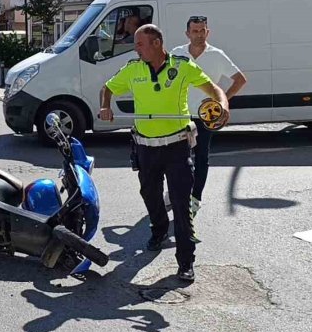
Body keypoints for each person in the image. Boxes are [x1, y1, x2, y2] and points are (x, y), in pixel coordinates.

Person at [99, 24, 228, 282]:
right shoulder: (133, 69)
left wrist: (222, 105)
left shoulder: (182, 66)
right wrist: (105, 107)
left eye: (140, 44)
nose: (136, 49)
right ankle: (158, 230)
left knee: (181, 206)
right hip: (146, 147)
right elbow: (108, 88)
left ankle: (186, 261)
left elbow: (214, 89)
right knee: (150, 195)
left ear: (156, 43)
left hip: (177, 146)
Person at [170, 16, 247, 226]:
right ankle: (177, 191)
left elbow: (240, 80)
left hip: (206, 116)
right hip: (181, 115)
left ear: (208, 32)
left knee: (201, 157)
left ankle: (196, 198)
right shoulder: (177, 54)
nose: (199, 34)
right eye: (195, 31)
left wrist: (221, 103)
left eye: (202, 30)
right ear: (187, 33)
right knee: (178, 158)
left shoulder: (216, 55)